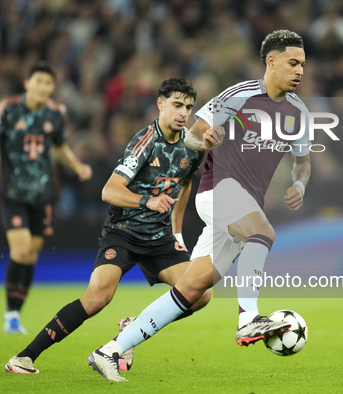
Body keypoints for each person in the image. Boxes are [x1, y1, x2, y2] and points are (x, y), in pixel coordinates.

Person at [89, 30, 312, 382]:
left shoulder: (299, 114)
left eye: (303, 64)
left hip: (245, 204)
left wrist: (299, 182)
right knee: (263, 232)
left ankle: (112, 349)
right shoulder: (238, 96)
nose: (300, 70)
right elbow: (193, 134)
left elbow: (303, 161)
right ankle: (248, 318)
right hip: (218, 190)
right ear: (271, 62)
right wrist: (204, 138)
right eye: (293, 63)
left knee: (193, 292)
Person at [4, 77, 210, 376]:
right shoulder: (145, 142)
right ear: (160, 104)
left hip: (159, 237)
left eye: (189, 107)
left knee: (200, 293)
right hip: (124, 231)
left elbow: (185, 185)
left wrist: (176, 233)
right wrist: (146, 201)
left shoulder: (192, 146)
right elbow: (109, 191)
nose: (183, 113)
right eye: (177, 105)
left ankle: (130, 332)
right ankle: (24, 358)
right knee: (98, 297)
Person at [0, 62, 92, 334]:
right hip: (13, 193)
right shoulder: (8, 107)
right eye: (38, 81)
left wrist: (77, 166)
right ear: (27, 83)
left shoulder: (56, 113)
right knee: (21, 250)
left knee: (31, 256)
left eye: (48, 83)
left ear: (53, 88)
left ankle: (15, 313)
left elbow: (60, 146)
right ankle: (11, 315)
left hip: (43, 195)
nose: (43, 87)